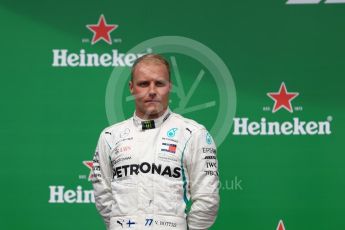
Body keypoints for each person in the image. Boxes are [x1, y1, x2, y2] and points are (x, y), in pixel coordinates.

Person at [92, 54, 219, 230]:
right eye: (143, 84)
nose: (152, 91)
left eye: (159, 83)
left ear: (170, 87)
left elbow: (207, 197)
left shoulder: (193, 133)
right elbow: (102, 194)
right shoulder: (110, 136)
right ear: (131, 88)